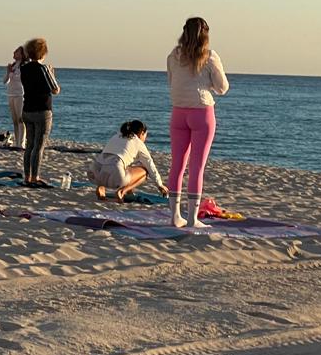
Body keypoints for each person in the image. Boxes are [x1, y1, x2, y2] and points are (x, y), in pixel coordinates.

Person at [166, 17, 230, 228]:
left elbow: (172, 82)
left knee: (177, 165)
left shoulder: (174, 56)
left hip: (178, 112)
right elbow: (222, 88)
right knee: (197, 167)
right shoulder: (210, 57)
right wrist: (206, 83)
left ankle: (175, 216)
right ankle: (193, 218)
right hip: (201, 113)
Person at [92, 119, 168, 201]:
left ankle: (101, 187)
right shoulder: (138, 142)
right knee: (145, 171)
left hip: (94, 173)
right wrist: (160, 185)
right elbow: (150, 164)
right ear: (142, 133)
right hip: (116, 174)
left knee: (120, 165)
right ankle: (122, 191)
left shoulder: (116, 136)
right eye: (146, 135)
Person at [19, 37, 60, 187]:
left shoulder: (23, 68)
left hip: (27, 108)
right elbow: (55, 89)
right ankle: (35, 177)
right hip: (42, 110)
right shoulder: (43, 69)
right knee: (39, 145)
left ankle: (27, 176)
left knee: (29, 145)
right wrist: (52, 74)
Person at [5, 45, 27, 149]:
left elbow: (24, 80)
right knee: (14, 120)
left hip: (20, 95)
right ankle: (17, 142)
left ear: (22, 54)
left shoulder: (24, 66)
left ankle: (21, 143)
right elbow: (5, 81)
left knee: (20, 119)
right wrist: (8, 72)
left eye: (17, 51)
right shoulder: (13, 65)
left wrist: (13, 74)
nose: (14, 52)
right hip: (11, 94)